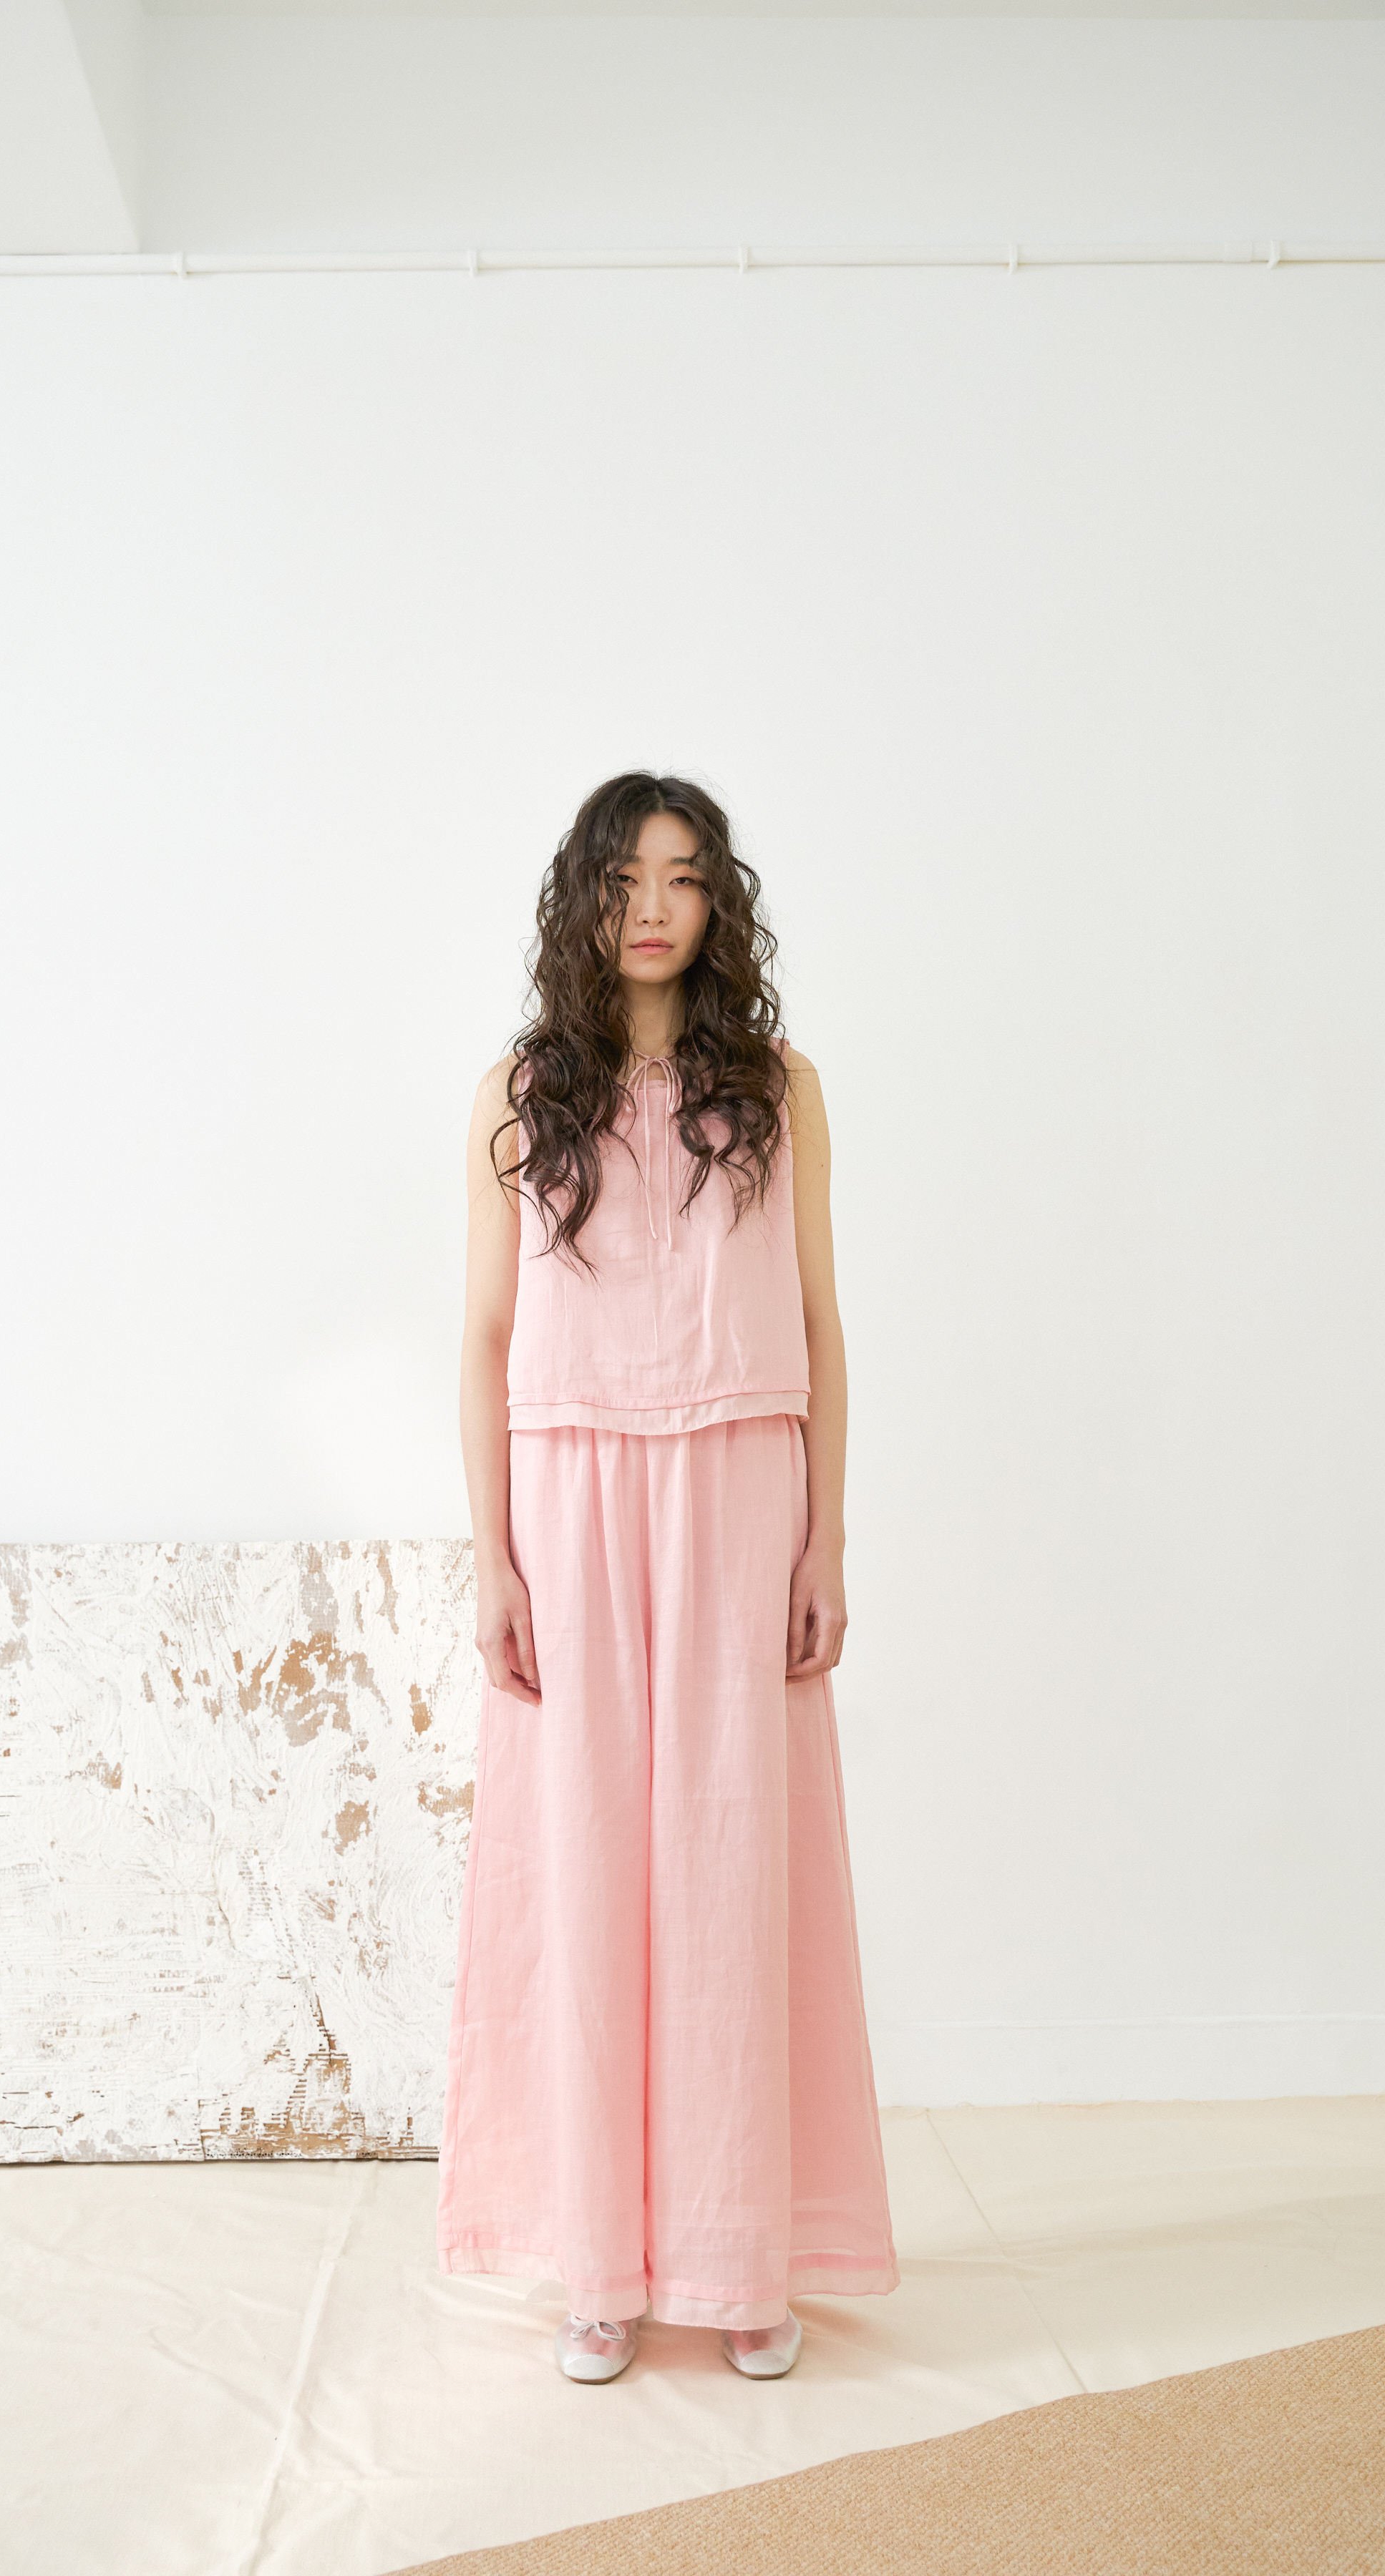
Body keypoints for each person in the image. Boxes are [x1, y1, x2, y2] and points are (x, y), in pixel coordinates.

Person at [437, 771, 898, 2384]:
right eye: (626, 877)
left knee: (732, 1864)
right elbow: (485, 1338)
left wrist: (827, 1537)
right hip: (569, 1492)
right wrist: (493, 1557)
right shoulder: (519, 1094)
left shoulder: (779, 1088)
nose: (653, 906)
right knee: (581, 1867)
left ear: (718, 904)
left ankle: (736, 2257)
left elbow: (822, 1320)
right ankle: (599, 2262)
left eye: (685, 877)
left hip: (739, 1483)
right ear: (583, 897)